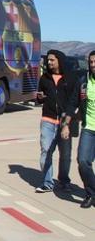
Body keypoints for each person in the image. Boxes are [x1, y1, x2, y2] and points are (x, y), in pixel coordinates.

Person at [35, 50, 78, 193]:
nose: (49, 62)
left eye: (52, 60)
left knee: (65, 153)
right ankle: (47, 182)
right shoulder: (44, 78)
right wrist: (40, 97)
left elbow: (74, 100)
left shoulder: (70, 79)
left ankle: (64, 181)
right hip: (48, 119)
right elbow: (39, 98)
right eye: (48, 60)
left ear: (59, 60)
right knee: (46, 151)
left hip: (64, 121)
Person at [76, 50, 95, 208]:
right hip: (89, 127)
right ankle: (91, 193)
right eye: (91, 62)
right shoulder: (84, 81)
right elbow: (74, 101)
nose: (93, 65)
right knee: (83, 161)